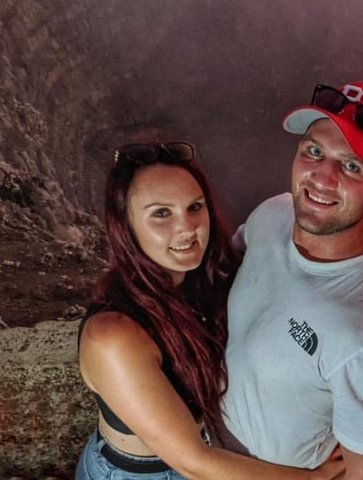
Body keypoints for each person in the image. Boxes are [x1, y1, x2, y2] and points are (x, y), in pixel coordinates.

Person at [75, 141, 344, 479]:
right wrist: (315, 478)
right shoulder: (113, 336)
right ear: (125, 225)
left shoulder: (200, 281)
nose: (187, 228)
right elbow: (194, 462)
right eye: (161, 213)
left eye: (194, 207)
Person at [220, 82, 363, 479]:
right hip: (199, 438)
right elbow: (230, 270)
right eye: (314, 152)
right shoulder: (273, 214)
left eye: (351, 166)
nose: (322, 178)